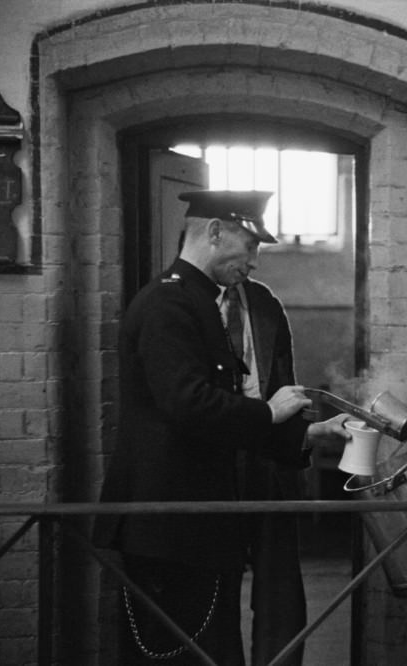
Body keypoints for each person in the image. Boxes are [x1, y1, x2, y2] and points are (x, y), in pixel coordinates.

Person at [93, 189, 349, 666]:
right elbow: (188, 403)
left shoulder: (201, 301)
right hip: (168, 521)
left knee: (212, 647)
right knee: (172, 651)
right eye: (250, 246)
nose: (255, 261)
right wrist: (269, 413)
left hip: (199, 521)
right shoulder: (169, 304)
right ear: (214, 231)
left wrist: (304, 435)